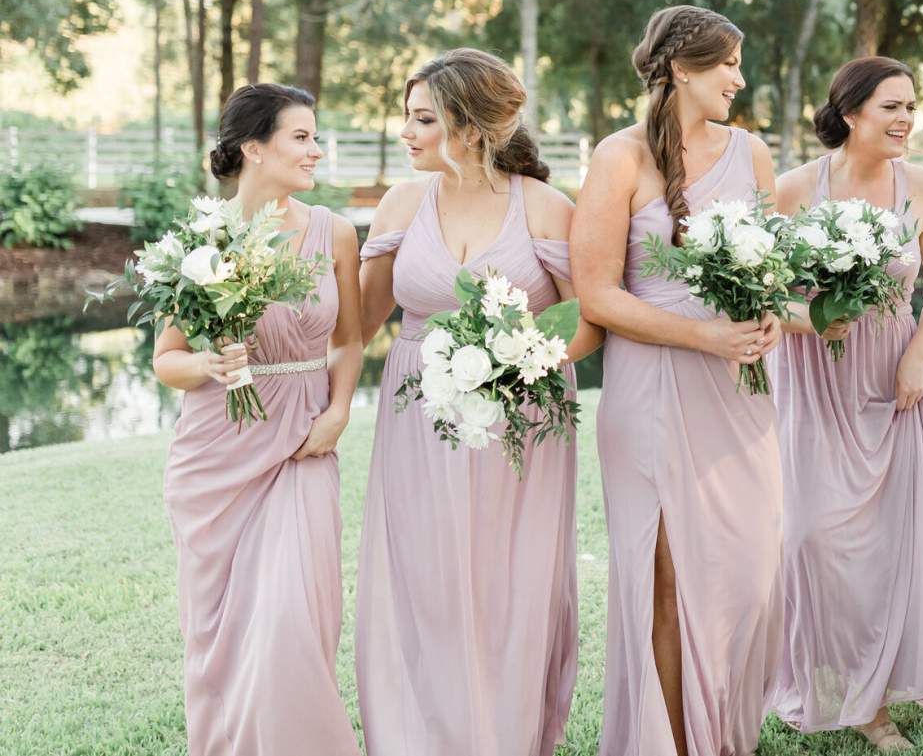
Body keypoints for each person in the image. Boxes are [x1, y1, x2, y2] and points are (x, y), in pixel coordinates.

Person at [356, 49, 595, 756]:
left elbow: (589, 320)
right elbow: (354, 328)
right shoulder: (401, 204)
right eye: (407, 116)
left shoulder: (548, 207)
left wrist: (518, 363)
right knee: (424, 579)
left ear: (471, 127)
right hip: (417, 417)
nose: (407, 131)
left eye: (423, 118)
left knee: (509, 585)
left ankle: (507, 738)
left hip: (521, 422)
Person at [569, 5, 783, 756]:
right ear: (683, 69)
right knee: (668, 584)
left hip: (739, 391)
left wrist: (767, 320)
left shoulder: (752, 154)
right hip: (652, 387)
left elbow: (768, 269)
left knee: (750, 572)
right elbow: (597, 294)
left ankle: (724, 729)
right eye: (728, 63)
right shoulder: (619, 158)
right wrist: (703, 334)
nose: (740, 78)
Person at [157, 82, 362, 756]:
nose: (316, 149)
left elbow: (349, 339)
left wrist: (337, 411)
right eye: (300, 137)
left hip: (303, 441)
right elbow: (168, 361)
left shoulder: (333, 231)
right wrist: (212, 364)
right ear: (254, 148)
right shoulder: (200, 241)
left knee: (291, 625)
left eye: (315, 136)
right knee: (221, 635)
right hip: (218, 450)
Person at [766, 56, 923, 751]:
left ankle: (873, 704)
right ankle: (821, 677)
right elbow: (759, 289)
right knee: (811, 536)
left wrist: (917, 355)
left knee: (886, 544)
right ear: (850, 112)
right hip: (813, 379)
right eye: (891, 107)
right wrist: (809, 318)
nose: (907, 119)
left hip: (893, 379)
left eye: (912, 105)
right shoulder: (792, 189)